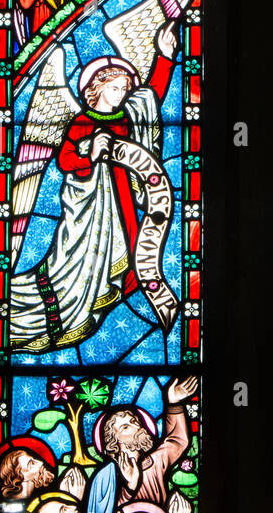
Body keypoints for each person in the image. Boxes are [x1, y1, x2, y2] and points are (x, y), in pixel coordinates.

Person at [9, 24, 178, 353]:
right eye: (115, 88)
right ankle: (63, 311)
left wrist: (165, 57)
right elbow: (66, 161)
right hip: (89, 211)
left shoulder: (128, 117)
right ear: (96, 89)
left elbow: (151, 98)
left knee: (129, 257)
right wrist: (87, 149)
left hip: (122, 204)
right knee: (76, 268)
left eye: (124, 88)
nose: (121, 94)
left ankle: (103, 294)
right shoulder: (79, 122)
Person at [85, 376, 197, 513]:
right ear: (113, 441)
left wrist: (174, 404)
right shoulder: (106, 476)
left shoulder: (155, 461)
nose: (135, 426)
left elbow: (178, 441)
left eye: (134, 421)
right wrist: (129, 488)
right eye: (125, 427)